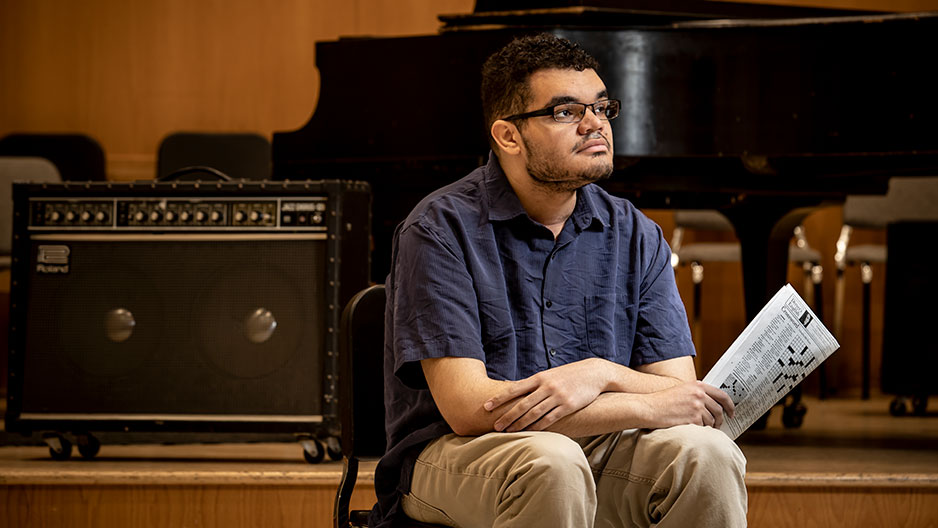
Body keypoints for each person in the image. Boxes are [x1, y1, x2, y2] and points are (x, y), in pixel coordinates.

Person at [371, 33, 747, 528]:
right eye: (566, 112)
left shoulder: (636, 232)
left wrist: (599, 374)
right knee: (552, 463)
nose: (596, 125)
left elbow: (677, 393)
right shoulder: (439, 229)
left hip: (594, 452)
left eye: (602, 108)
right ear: (508, 136)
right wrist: (637, 401)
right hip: (459, 455)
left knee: (707, 453)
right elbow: (470, 409)